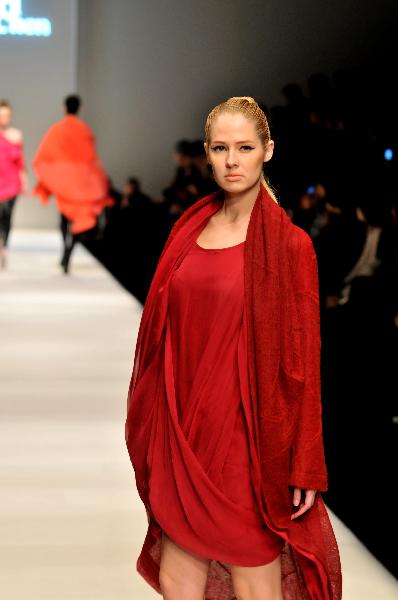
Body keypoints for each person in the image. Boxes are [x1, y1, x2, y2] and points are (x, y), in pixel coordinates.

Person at [125, 97, 342, 600]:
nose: (231, 160)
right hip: (182, 430)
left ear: (268, 150)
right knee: (177, 580)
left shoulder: (290, 247)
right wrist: (158, 421)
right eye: (220, 148)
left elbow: (304, 359)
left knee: (254, 579)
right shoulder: (187, 231)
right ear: (207, 153)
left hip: (247, 438)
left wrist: (306, 460)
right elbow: (161, 335)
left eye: (244, 147)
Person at [33, 94, 113, 273]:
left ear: (64, 107)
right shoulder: (84, 130)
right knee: (79, 218)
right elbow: (91, 158)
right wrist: (97, 180)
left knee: (64, 217)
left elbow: (46, 153)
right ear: (79, 108)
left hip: (64, 180)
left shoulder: (56, 129)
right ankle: (68, 251)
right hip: (81, 180)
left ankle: (65, 251)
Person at [0, 99, 27, 269]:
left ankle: (4, 247)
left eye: (7, 115)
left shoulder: (16, 135)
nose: (4, 118)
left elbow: (20, 161)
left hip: (11, 182)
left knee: (8, 216)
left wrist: (24, 180)